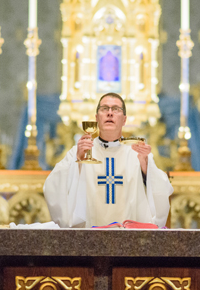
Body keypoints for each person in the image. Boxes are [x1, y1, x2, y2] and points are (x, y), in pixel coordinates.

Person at [43, 93, 173, 227]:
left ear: (124, 120)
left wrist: (145, 169)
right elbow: (52, 186)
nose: (110, 113)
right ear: (96, 118)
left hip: (129, 238)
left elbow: (163, 190)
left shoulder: (137, 154)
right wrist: (78, 162)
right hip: (87, 238)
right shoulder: (80, 152)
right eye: (104, 108)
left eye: (116, 109)